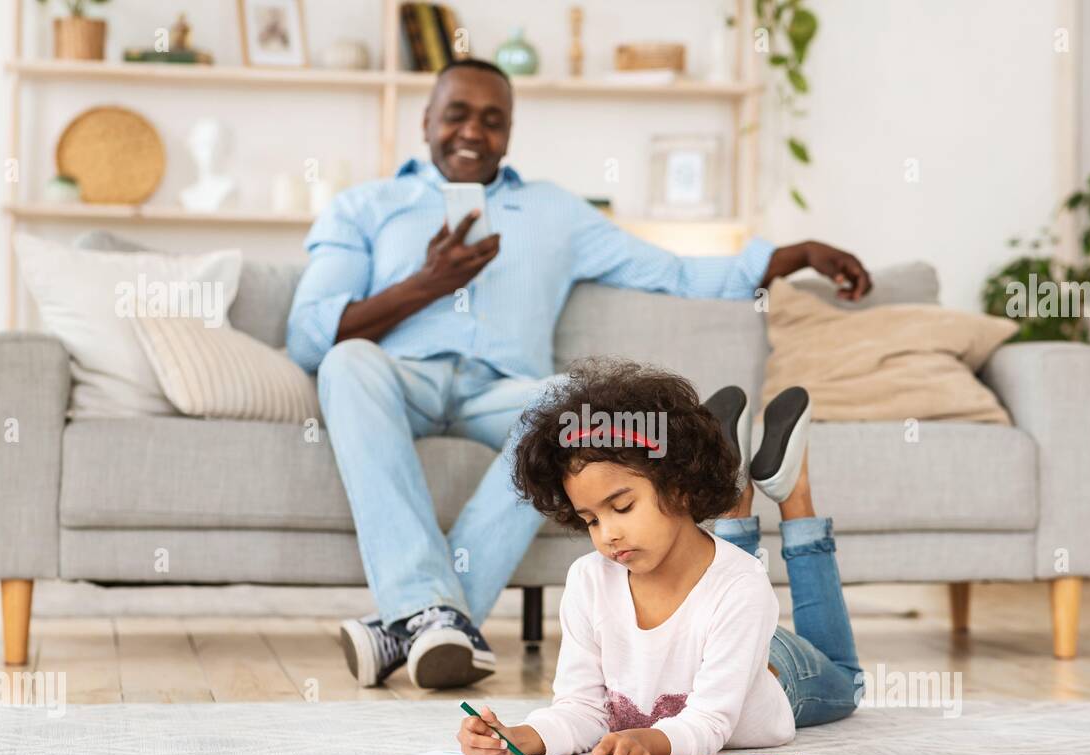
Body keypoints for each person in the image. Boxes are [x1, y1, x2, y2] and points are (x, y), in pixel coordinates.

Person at [286, 56, 872, 692]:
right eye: (457, 115)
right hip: (397, 378)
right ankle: (436, 618)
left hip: (502, 392)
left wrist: (795, 255)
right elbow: (311, 334)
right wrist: (428, 284)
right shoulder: (365, 206)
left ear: (509, 131)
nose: (473, 132)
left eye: (493, 119)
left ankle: (417, 620)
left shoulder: (555, 212)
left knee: (567, 400)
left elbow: (672, 271)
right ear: (426, 120)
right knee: (347, 363)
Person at [457, 358, 863, 755]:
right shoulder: (588, 579)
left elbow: (709, 723)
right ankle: (736, 492)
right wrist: (518, 737)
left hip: (777, 669)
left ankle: (793, 495)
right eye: (591, 520)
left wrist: (645, 742)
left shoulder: (742, 585)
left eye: (622, 507)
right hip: (720, 618)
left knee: (849, 682)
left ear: (681, 488)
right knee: (704, 558)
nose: (608, 534)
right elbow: (581, 709)